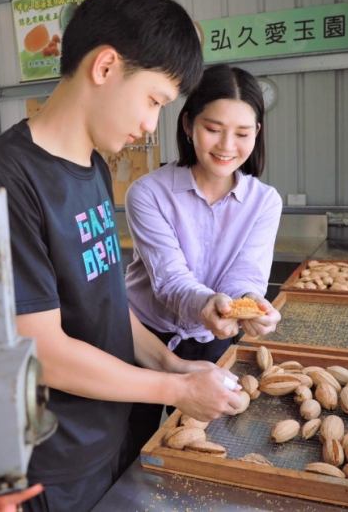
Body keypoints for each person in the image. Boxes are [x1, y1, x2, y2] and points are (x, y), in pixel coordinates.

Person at [0, 0, 242, 512]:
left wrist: (170, 364)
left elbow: (106, 302)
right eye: (153, 100)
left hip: (112, 434)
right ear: (105, 67)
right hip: (50, 465)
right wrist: (175, 392)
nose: (152, 125)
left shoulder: (93, 170)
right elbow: (39, 352)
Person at [121, 64, 283, 465]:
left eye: (243, 134)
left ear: (257, 134)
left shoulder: (265, 202)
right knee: (129, 452)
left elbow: (246, 273)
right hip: (139, 339)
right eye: (213, 128)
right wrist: (208, 304)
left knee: (202, 453)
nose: (227, 145)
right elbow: (169, 278)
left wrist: (249, 302)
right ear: (188, 124)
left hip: (214, 343)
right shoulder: (148, 193)